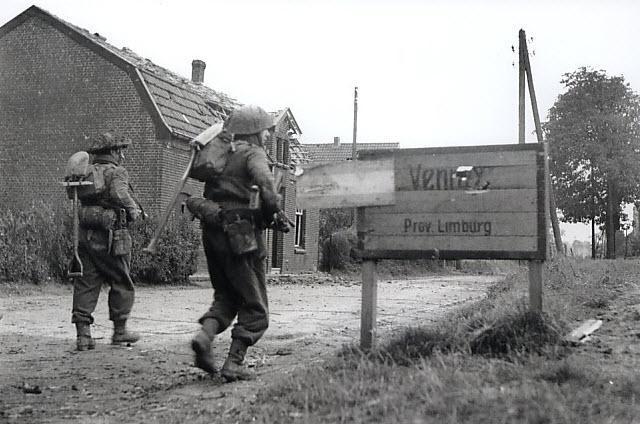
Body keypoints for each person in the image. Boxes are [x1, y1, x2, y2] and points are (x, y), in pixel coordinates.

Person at [189, 105, 289, 381]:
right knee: (255, 306)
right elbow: (266, 187)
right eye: (265, 131)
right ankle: (234, 362)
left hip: (212, 230)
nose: (268, 136)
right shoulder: (252, 153)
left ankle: (204, 336)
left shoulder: (221, 155)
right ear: (254, 132)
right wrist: (273, 212)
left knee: (226, 296)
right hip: (241, 235)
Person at [72, 131, 142, 351]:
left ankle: (83, 336)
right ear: (113, 152)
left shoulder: (85, 172)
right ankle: (120, 332)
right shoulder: (117, 172)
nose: (122, 155)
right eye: (120, 150)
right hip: (111, 237)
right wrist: (134, 211)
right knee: (121, 280)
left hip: (85, 235)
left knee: (86, 282)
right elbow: (120, 195)